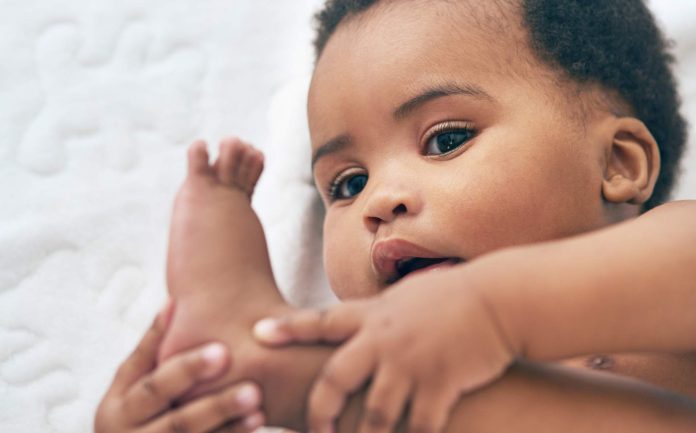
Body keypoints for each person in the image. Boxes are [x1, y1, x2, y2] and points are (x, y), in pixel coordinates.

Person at [95, 0, 696, 432]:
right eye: (347, 183)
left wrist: (493, 309)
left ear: (618, 163)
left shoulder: (665, 253)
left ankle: (271, 367)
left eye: (445, 139)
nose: (381, 201)